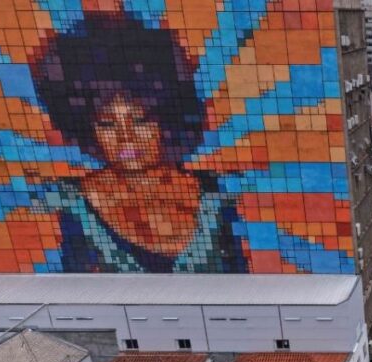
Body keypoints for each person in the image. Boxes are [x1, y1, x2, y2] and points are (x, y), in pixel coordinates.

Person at [30, 14, 248, 273]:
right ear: (86, 128)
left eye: (141, 120)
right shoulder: (61, 204)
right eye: (107, 124)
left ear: (166, 119)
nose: (126, 137)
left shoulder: (220, 196)